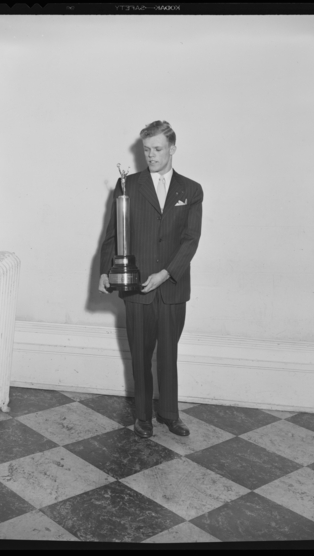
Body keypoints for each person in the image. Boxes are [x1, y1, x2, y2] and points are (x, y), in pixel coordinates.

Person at [99, 120, 203, 439]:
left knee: (168, 354)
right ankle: (143, 416)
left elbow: (190, 239)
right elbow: (113, 233)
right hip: (137, 288)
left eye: (157, 149)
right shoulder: (128, 185)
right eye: (146, 150)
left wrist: (166, 273)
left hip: (172, 287)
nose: (151, 155)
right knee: (141, 355)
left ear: (172, 148)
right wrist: (105, 269)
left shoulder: (191, 189)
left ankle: (169, 414)